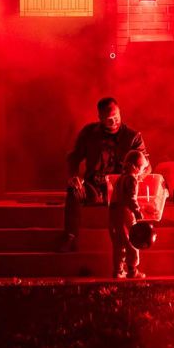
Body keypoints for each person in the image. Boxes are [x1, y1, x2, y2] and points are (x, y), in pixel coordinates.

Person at [58, 97, 148, 252]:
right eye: (108, 120)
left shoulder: (133, 137)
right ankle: (70, 236)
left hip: (120, 188)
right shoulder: (89, 133)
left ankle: (134, 243)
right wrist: (73, 176)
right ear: (99, 118)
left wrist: (135, 177)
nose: (113, 122)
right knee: (74, 191)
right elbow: (73, 157)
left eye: (116, 117)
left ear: (120, 112)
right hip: (94, 186)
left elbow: (146, 166)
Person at [109, 149, 146, 278]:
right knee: (132, 242)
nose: (141, 171)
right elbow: (131, 199)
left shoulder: (120, 178)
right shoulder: (131, 180)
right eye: (141, 168)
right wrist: (137, 212)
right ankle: (132, 270)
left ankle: (118, 270)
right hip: (125, 213)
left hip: (114, 213)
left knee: (119, 243)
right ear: (135, 167)